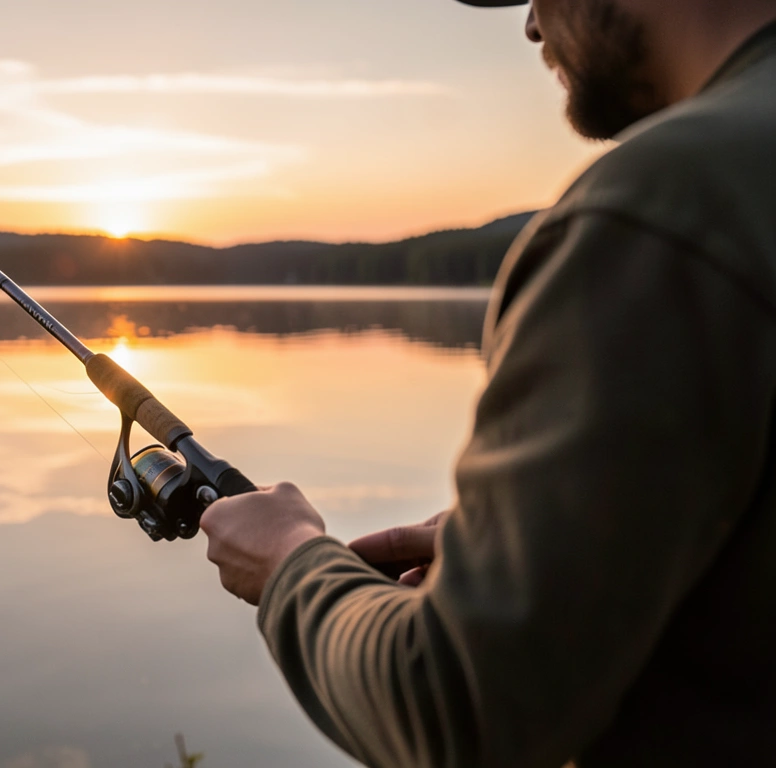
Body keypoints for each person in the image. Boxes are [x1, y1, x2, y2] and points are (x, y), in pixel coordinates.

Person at [199, 0, 776, 765]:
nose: (533, 25)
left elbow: (456, 709)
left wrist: (290, 566)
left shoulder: (656, 207)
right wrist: (552, 540)